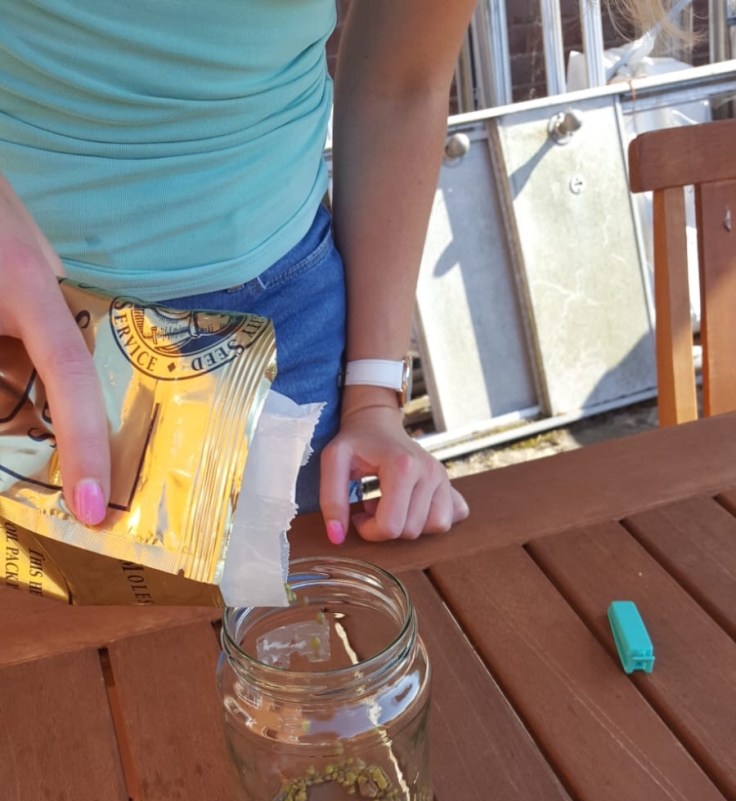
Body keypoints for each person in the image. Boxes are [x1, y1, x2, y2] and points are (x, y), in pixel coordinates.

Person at [0, 1, 475, 545]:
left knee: (295, 599)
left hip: (283, 343)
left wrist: (373, 396)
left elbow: (405, 81)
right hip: (19, 323)